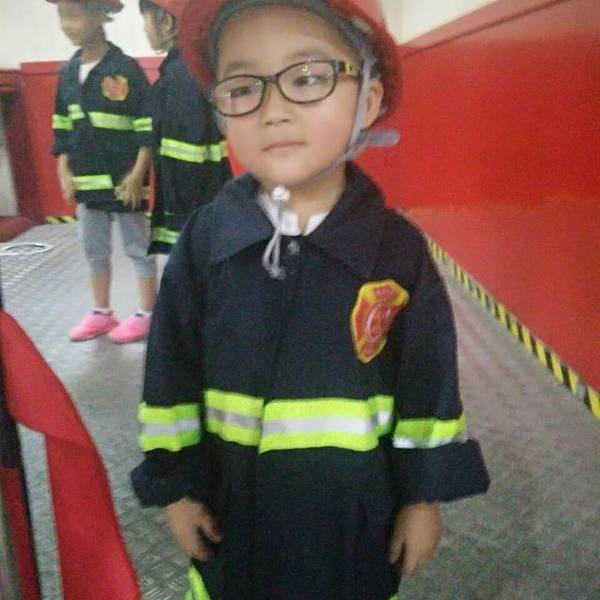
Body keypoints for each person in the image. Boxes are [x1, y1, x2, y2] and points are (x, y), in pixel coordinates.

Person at [131, 1, 491, 598]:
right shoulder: (203, 243)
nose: (272, 110)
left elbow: (428, 386)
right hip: (231, 533)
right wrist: (175, 488)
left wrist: (422, 497)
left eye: (307, 78)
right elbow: (170, 375)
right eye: (243, 87)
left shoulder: (397, 253)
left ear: (367, 100)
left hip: (354, 532)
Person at [50, 0, 157, 343]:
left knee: (137, 248)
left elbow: (146, 126)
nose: (66, 25)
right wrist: (63, 170)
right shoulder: (67, 73)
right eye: (61, 17)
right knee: (93, 250)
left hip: (125, 182)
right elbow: (61, 126)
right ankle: (101, 313)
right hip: (87, 183)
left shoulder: (125, 69)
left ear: (99, 15)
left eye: (73, 16)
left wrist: (137, 175)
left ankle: (148, 314)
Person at [139, 0, 232, 255]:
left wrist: (179, 218)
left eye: (145, 19)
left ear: (167, 23)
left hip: (189, 211)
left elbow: (187, 156)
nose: (143, 29)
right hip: (204, 205)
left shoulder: (178, 78)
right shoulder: (188, 70)